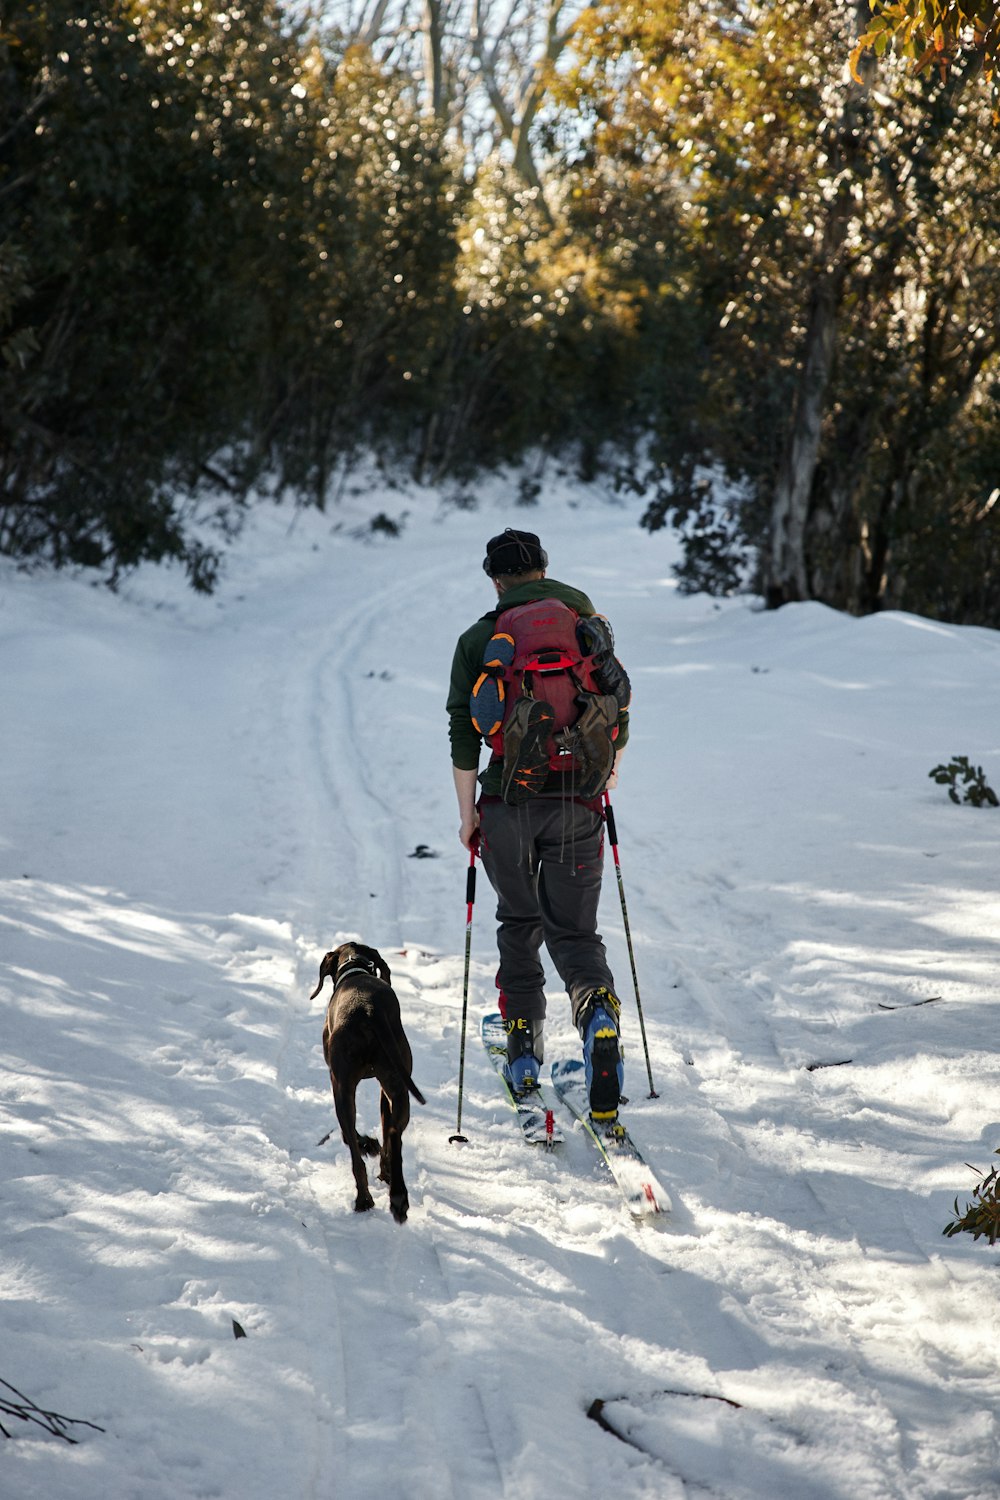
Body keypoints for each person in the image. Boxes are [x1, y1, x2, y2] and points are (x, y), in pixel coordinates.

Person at [447, 527, 629, 1120]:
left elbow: (462, 731)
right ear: (545, 567)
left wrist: (468, 812)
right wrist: (606, 778)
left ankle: (523, 1050)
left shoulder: (480, 639)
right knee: (576, 934)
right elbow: (618, 708)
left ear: (494, 579)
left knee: (519, 920)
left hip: (507, 807)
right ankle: (598, 1013)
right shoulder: (585, 625)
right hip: (579, 801)